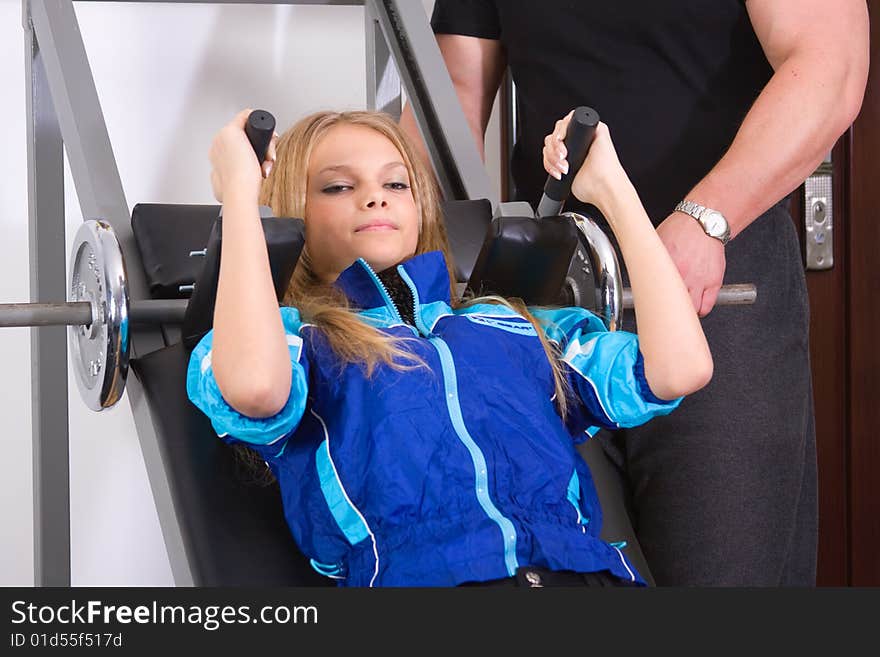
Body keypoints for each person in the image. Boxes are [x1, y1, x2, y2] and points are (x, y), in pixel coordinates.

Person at [408, 0, 869, 586]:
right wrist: (420, 259)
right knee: (564, 574)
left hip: (713, 275)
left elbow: (830, 63)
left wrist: (707, 218)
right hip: (552, 293)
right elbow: (451, 98)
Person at [185, 107, 712, 587]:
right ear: (290, 213)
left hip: (583, 578)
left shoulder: (514, 325)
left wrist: (613, 191)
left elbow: (679, 369)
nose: (376, 197)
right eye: (338, 187)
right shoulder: (298, 346)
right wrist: (240, 193)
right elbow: (255, 387)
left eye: (396, 182)